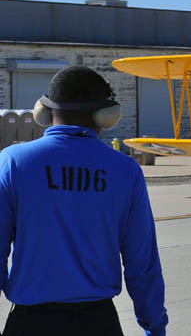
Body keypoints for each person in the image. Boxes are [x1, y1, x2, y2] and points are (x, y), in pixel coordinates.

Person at [0, 66, 168, 335]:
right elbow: (142, 263)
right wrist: (154, 326)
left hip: (29, 323)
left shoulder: (12, 162)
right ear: (106, 116)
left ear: (43, 110)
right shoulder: (125, 170)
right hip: (98, 322)